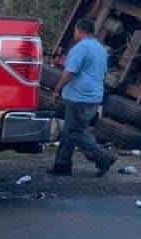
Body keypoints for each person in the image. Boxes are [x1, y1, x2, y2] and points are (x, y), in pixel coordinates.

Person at [50, 19, 116, 176]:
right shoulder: (101, 49)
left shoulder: (80, 48)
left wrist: (57, 89)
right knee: (69, 130)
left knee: (75, 132)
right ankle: (62, 165)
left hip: (78, 97)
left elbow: (70, 72)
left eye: (75, 31)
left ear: (79, 30)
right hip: (93, 97)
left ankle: (104, 157)